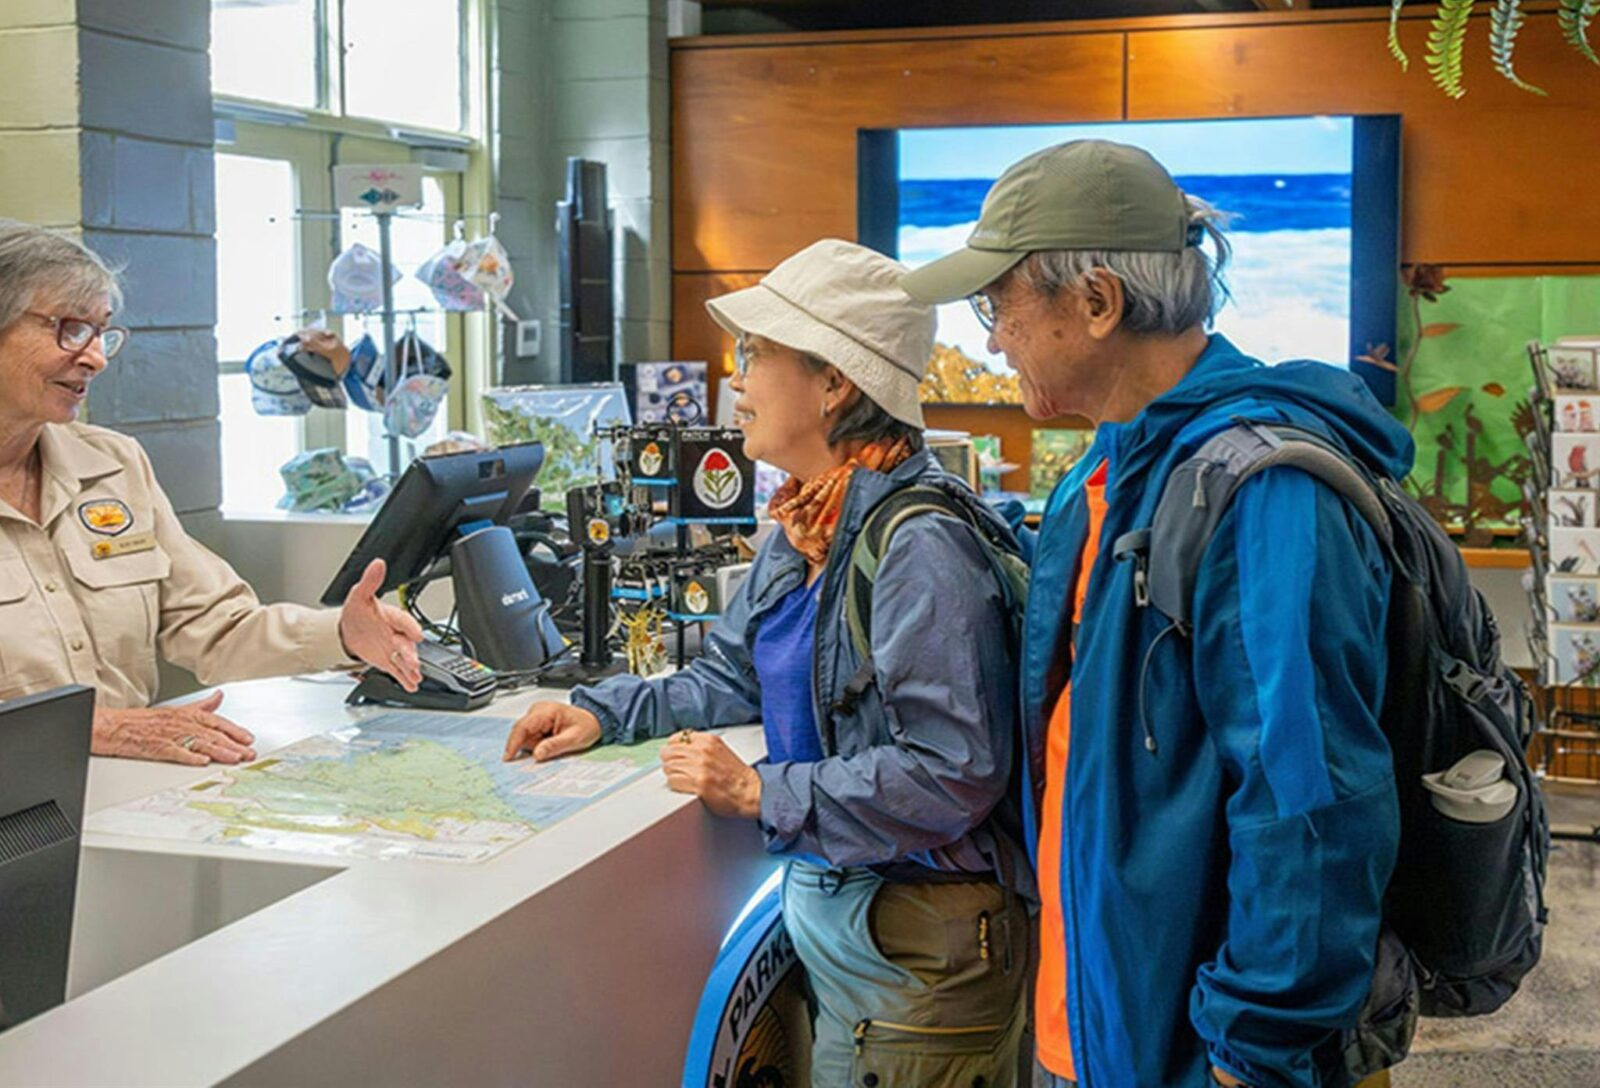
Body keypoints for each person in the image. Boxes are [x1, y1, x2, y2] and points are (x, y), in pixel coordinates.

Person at [902, 141, 1406, 1088]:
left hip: (1205, 1052)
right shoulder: (1102, 478)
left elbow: (1310, 807)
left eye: (997, 305)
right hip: (1097, 1023)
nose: (988, 340)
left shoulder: (1261, 493)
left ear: (1097, 303)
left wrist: (1251, 1052)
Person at [504, 239, 1034, 1085]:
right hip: (857, 936)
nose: (736, 382)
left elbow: (954, 773)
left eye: (756, 356)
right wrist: (604, 711)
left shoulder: (918, 546)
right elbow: (731, 677)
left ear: (836, 382)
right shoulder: (804, 524)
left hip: (922, 956)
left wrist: (762, 792)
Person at [0, 222, 423, 765]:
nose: (96, 357)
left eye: (100, 332)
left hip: (116, 806)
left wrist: (342, 633)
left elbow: (216, 628)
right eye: (69, 329)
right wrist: (91, 730)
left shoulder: (112, 464)